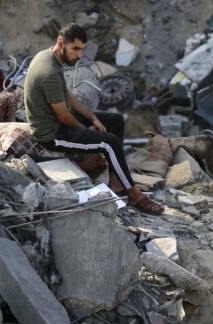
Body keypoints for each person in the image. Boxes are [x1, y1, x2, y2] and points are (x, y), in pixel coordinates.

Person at [24, 23, 164, 214]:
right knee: (110, 143)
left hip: (59, 119)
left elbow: (67, 96)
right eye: (75, 49)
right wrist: (84, 129)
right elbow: (64, 117)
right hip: (51, 133)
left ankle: (116, 182)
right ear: (61, 43)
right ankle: (134, 194)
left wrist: (93, 118)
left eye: (82, 50)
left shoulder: (48, 56)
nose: (79, 55)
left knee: (115, 120)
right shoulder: (49, 72)